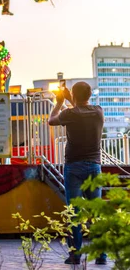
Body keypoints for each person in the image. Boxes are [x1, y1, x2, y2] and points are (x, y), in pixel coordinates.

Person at [48, 82, 107, 266]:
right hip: (94, 166)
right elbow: (81, 109)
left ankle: (75, 255)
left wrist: (59, 102)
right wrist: (71, 98)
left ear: (73, 95)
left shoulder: (69, 113)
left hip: (73, 167)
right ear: (89, 94)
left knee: (74, 213)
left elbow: (52, 120)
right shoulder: (98, 111)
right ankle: (102, 256)